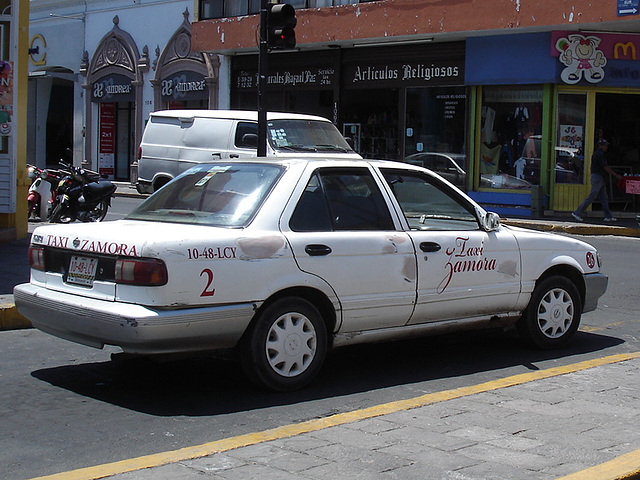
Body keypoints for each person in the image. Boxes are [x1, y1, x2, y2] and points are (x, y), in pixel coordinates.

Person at [572, 139, 622, 222]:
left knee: (604, 197)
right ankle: (577, 212)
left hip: (599, 177)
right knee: (593, 195)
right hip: (597, 176)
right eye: (605, 145)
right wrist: (616, 175)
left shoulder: (598, 154)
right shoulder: (599, 154)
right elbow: (604, 166)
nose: (606, 147)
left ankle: (608, 216)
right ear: (600, 146)